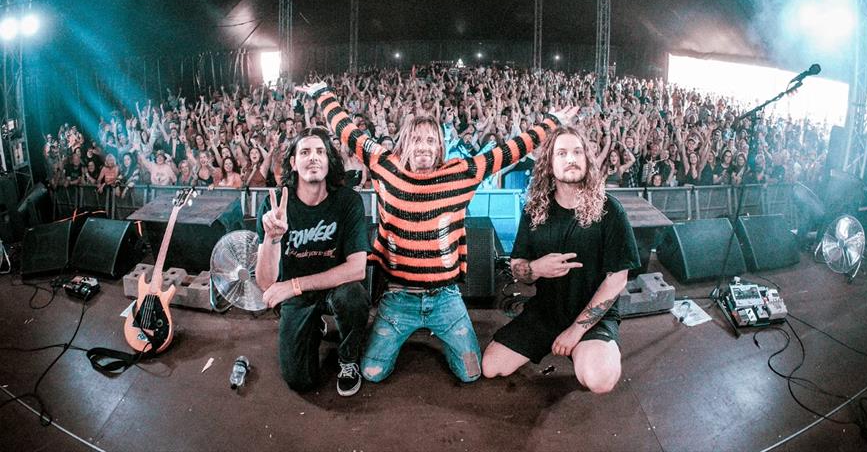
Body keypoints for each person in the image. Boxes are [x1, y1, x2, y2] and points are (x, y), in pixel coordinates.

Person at [301, 81, 577, 384]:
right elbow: (348, 131)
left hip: (445, 298)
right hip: (398, 297)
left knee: (471, 374)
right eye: (416, 140)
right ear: (404, 143)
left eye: (431, 141)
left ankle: (434, 331)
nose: (423, 146)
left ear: (440, 147)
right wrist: (321, 93)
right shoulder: (384, 165)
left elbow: (509, 151)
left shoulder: (461, 174)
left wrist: (552, 122)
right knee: (372, 373)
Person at [482, 126, 640, 394]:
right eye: (562, 153)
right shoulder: (535, 211)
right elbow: (518, 267)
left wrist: (575, 332)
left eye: (577, 152)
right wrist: (535, 268)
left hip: (593, 317)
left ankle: (583, 349)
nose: (571, 159)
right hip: (546, 311)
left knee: (600, 381)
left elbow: (617, 279)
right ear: (549, 164)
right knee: (491, 367)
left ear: (587, 159)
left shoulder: (610, 209)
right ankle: (558, 343)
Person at [255, 127, 371, 397]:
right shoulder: (276, 206)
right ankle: (312, 323)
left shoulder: (348, 201)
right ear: (293, 163)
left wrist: (294, 285)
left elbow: (357, 268)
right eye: (305, 152)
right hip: (298, 297)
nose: (314, 157)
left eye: (320, 151)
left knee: (354, 296)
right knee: (300, 381)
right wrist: (272, 239)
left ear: (329, 161)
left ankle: (348, 358)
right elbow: (266, 283)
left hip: (336, 288)